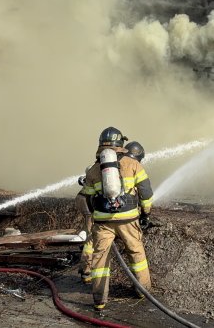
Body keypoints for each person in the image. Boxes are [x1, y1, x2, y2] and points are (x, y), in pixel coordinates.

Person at [77, 127, 154, 311]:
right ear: (121, 144)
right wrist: (146, 213)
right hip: (128, 220)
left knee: (100, 261)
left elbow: (87, 197)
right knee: (136, 255)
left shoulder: (95, 170)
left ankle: (100, 301)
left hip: (103, 223)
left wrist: (95, 215)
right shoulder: (133, 164)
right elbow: (146, 193)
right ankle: (143, 291)